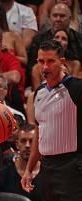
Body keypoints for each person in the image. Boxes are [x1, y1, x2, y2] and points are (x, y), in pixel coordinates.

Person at [21, 40, 82, 201]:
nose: (45, 67)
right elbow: (39, 133)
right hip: (46, 167)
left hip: (72, 167)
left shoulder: (77, 88)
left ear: (62, 62)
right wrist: (29, 169)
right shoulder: (39, 92)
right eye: (41, 61)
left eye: (50, 61)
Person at [0, 124, 44, 201]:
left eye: (32, 141)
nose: (27, 145)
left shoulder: (49, 175)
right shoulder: (2, 176)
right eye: (23, 141)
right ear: (17, 144)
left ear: (39, 144)